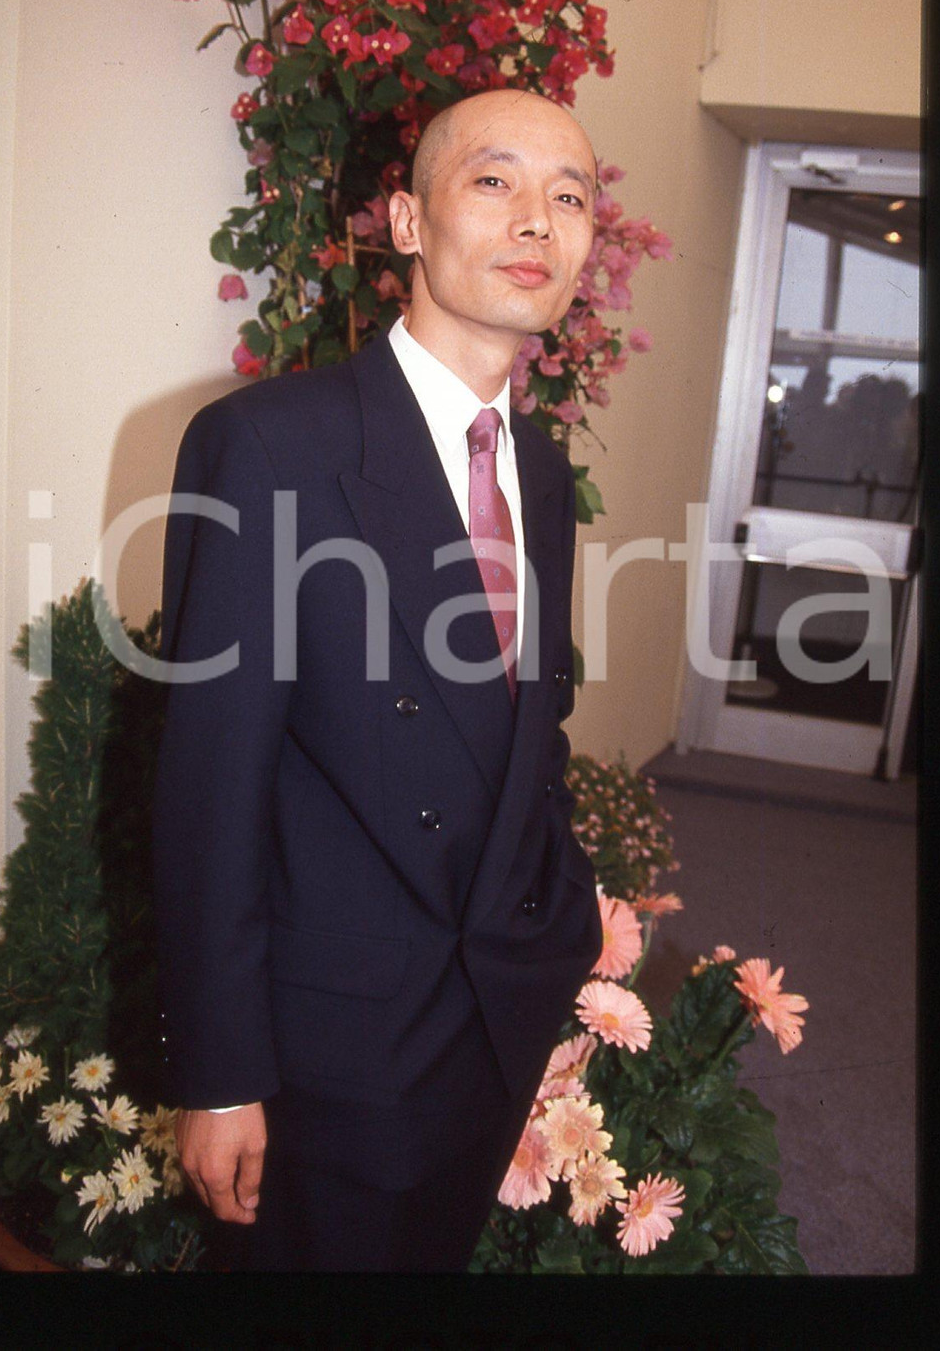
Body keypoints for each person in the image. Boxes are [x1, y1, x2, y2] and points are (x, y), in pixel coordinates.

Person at [151, 88, 604, 1271]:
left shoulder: (541, 475)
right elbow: (210, 785)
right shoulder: (270, 446)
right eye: (494, 183)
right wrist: (220, 1070)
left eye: (571, 198)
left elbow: (528, 728)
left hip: (488, 1015)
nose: (536, 225)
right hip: (330, 1046)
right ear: (406, 221)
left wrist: (558, 925)